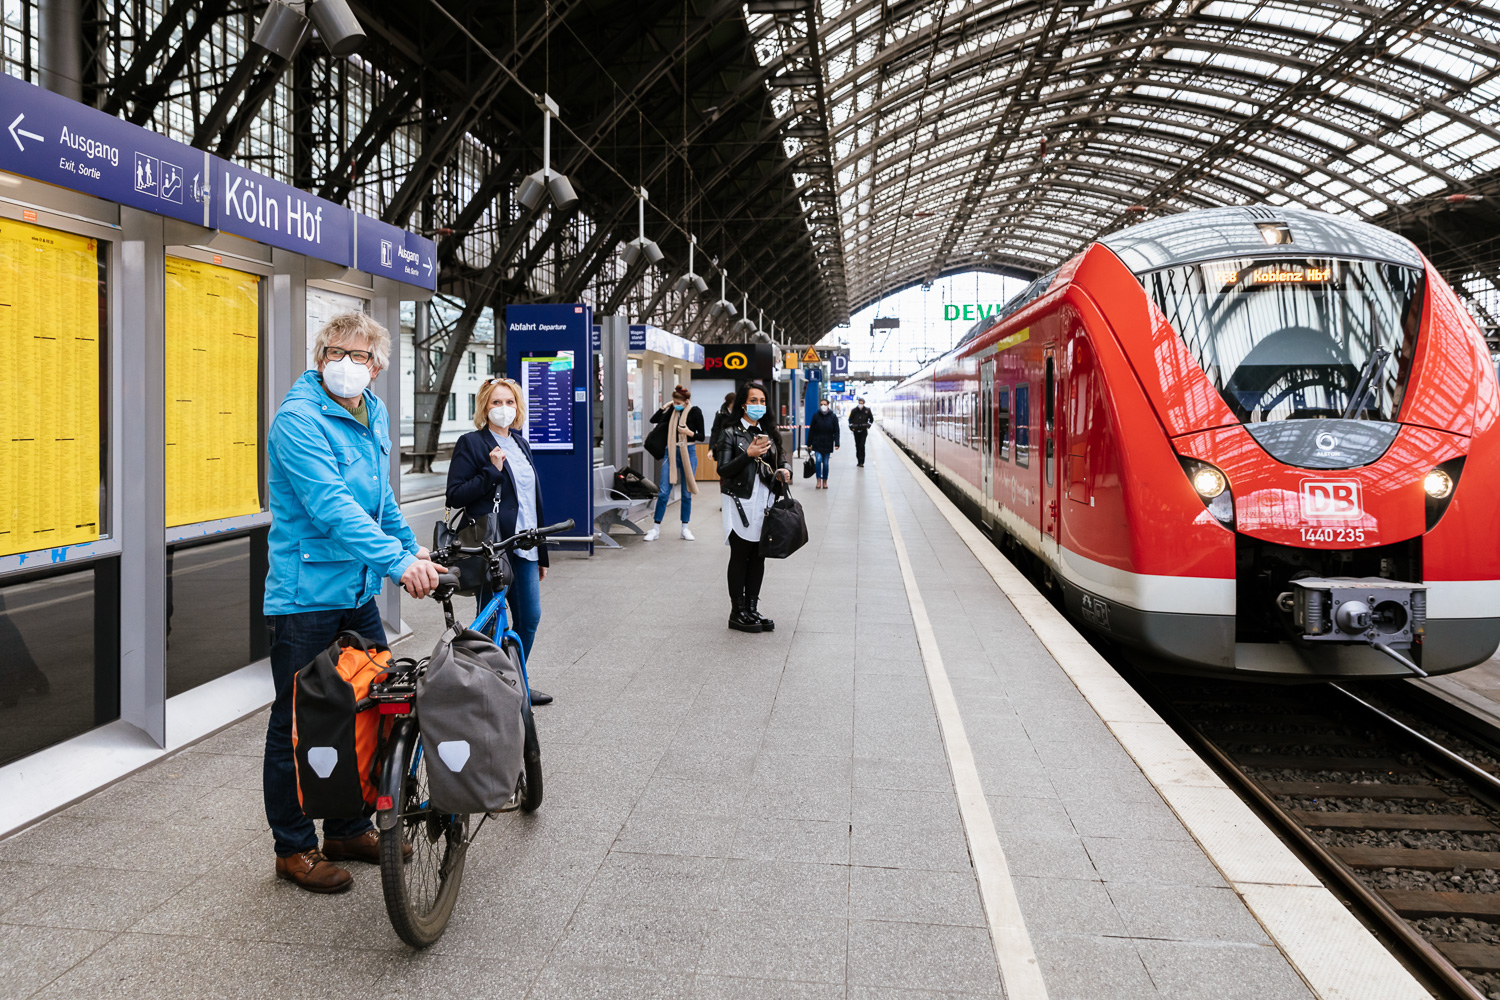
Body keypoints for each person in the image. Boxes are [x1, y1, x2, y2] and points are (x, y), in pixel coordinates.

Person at [263, 312, 444, 894]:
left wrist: (410, 547)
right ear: (320, 356)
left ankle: (347, 826)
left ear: (377, 366)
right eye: (336, 351)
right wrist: (398, 564)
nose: (347, 362)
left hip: (357, 591)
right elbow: (333, 507)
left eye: (360, 355)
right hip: (306, 596)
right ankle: (293, 848)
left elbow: (381, 497)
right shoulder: (298, 420)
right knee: (296, 722)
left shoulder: (373, 412)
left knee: (369, 706)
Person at [445, 377, 553, 706]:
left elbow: (534, 501)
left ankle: (514, 681)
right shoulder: (472, 443)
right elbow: (456, 494)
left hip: (527, 544)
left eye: (509, 403)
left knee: (530, 618)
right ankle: (486, 687)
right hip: (494, 547)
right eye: (496, 403)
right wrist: (491, 471)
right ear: (484, 407)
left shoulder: (521, 444)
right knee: (490, 618)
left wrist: (544, 554)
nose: (503, 409)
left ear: (518, 407)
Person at [716, 380, 791, 633]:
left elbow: (783, 458)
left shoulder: (769, 432)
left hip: (764, 500)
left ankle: (751, 608)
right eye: (753, 401)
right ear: (743, 404)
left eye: (762, 401)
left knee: (759, 555)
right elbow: (723, 470)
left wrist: (785, 470)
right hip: (739, 500)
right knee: (740, 554)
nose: (758, 405)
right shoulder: (730, 433)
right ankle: (736, 612)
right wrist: (746, 454)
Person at [645, 385, 703, 541]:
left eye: (678, 401)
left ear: (686, 401)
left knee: (686, 492)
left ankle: (685, 528)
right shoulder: (671, 411)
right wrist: (664, 407)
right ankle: (655, 528)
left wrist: (687, 432)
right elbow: (653, 419)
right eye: (674, 400)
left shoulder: (695, 412)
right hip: (670, 451)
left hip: (688, 451)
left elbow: (701, 436)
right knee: (664, 492)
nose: (676, 403)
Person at [807, 396, 841, 489]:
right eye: (821, 404)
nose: (823, 406)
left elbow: (836, 431)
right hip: (817, 442)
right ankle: (818, 479)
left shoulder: (833, 417)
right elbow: (811, 430)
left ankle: (825, 481)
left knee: (825, 463)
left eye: (825, 404)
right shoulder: (816, 416)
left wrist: (837, 443)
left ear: (828, 405)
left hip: (828, 443)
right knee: (818, 461)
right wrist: (809, 443)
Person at [848, 397, 874, 467]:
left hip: (863, 431)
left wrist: (868, 426)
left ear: (864, 403)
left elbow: (871, 420)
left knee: (862, 445)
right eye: (859, 403)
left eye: (862, 403)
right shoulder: (854, 411)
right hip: (856, 431)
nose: (860, 404)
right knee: (857, 445)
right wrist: (852, 428)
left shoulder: (867, 410)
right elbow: (850, 420)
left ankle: (861, 462)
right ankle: (858, 460)